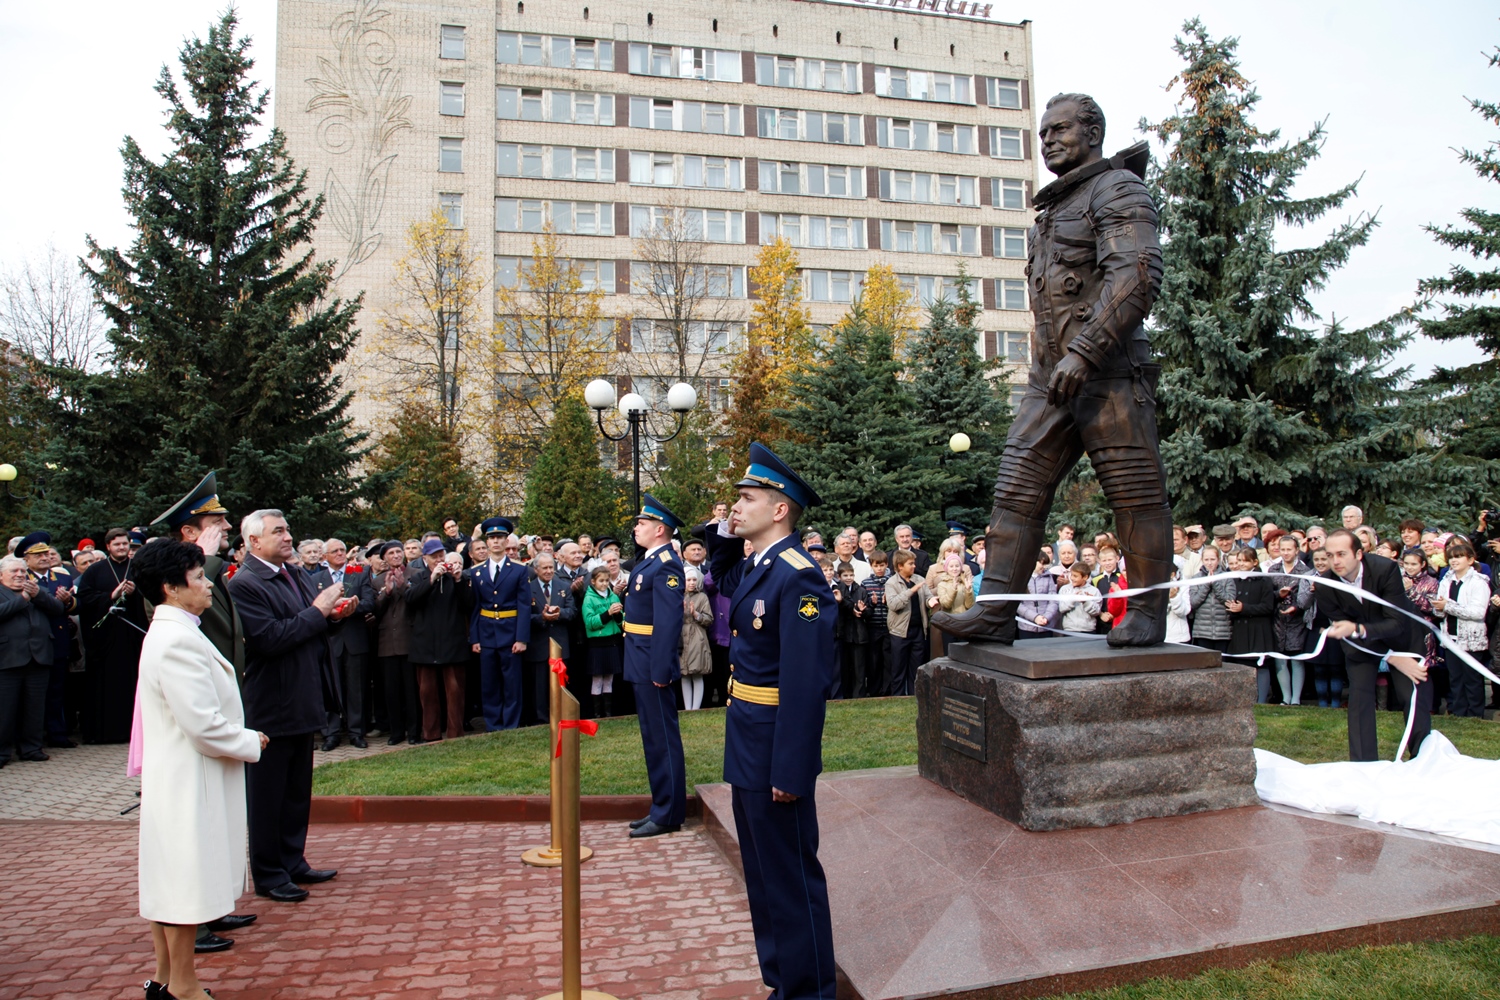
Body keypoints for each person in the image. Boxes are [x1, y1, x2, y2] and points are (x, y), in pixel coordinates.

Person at [703, 443, 838, 1000]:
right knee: (762, 875)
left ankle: (809, 991)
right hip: (749, 736)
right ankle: (782, 983)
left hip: (777, 746)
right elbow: (722, 573)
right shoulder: (758, 566)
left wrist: (792, 768)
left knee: (788, 879)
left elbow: (808, 686)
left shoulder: (798, 576)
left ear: (780, 509)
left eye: (748, 498)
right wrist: (723, 534)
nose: (736, 507)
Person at [132, 539, 267, 1000]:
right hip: (190, 780)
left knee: (172, 881)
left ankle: (168, 978)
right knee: (184, 885)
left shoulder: (177, 630)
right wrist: (251, 740)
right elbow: (202, 724)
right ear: (171, 588)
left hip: (184, 776)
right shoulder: (174, 640)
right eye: (197, 577)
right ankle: (183, 987)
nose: (208, 584)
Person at [228, 509, 346, 903]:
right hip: (272, 703)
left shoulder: (293, 573)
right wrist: (318, 611)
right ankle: (268, 872)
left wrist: (330, 616)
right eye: (278, 531)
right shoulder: (245, 584)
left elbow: (307, 622)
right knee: (268, 794)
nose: (287, 536)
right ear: (253, 542)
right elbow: (269, 638)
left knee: (297, 790)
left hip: (302, 695)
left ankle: (292, 861)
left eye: (288, 528)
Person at [1315, 529, 1429, 762]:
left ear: (1359, 553)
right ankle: (1363, 764)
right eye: (1329, 555)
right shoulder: (1324, 584)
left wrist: (1361, 632)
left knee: (1412, 695)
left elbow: (1396, 622)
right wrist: (1389, 657)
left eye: (1341, 554)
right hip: (1360, 646)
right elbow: (1344, 632)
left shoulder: (1384, 569)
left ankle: (1422, 759)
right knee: (1359, 697)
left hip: (1402, 637)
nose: (1335, 561)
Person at [620, 494, 688, 838]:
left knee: (662, 739)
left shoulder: (666, 565)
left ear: (660, 530)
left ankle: (669, 813)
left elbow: (668, 622)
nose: (636, 528)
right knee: (652, 738)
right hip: (640, 658)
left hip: (652, 664)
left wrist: (661, 669)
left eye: (642, 523)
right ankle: (661, 805)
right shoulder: (649, 562)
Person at [75, 527, 149, 743]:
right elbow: (84, 598)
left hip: (132, 636)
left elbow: (153, 593)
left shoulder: (138, 568)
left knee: (132, 682)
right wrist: (111, 595)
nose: (122, 548)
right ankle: (103, 732)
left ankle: (133, 732)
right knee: (105, 685)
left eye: (125, 544)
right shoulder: (95, 570)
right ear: (108, 546)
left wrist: (137, 592)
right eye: (117, 544)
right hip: (106, 640)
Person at [306, 539, 373, 750]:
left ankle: (356, 732)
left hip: (354, 640)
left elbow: (370, 602)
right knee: (332, 689)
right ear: (324, 556)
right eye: (334, 551)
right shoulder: (317, 579)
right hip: (330, 641)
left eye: (343, 550)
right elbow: (312, 607)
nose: (340, 553)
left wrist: (349, 607)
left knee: (356, 689)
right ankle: (331, 734)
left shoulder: (359, 574)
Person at [0, 554, 67, 765]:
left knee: (35, 707)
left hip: (39, 656)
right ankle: (2, 752)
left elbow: (58, 609)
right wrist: (22, 600)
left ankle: (31, 748)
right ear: (1, 575)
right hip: (8, 658)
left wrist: (38, 595)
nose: (20, 575)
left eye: (22, 571)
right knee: (5, 710)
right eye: (14, 571)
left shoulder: (36, 589)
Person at [467, 517, 531, 731]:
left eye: (500, 537)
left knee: (511, 682)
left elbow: (524, 606)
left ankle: (510, 723)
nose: (496, 541)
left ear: (506, 541)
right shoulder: (477, 572)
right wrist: (475, 638)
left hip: (510, 631)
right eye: (492, 538)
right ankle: (493, 724)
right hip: (486, 633)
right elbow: (475, 607)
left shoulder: (519, 570)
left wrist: (521, 638)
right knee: (490, 682)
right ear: (486, 542)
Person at [16, 532, 78, 749]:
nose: (44, 557)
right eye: (38, 555)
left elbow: (73, 607)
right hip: (34, 642)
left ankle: (57, 734)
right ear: (26, 559)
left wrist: (69, 600)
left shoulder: (61, 577)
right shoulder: (21, 579)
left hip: (58, 640)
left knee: (57, 691)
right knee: (33, 694)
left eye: (46, 553)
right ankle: (33, 737)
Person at [407, 539, 473, 741]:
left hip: (452, 643)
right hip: (425, 645)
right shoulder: (418, 577)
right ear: (425, 558)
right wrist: (432, 579)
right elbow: (410, 599)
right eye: (434, 556)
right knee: (427, 693)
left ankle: (455, 733)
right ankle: (431, 734)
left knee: (454, 691)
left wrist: (459, 580)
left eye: (441, 555)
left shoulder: (457, 578)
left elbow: (469, 605)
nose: (439, 559)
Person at [1433, 537, 1490, 718]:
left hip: (1471, 639)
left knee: (1472, 679)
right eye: (1451, 558)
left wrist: (1447, 607)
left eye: (1459, 557)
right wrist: (1439, 609)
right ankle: (1458, 713)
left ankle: (1475, 715)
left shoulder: (1479, 582)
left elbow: (1478, 612)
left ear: (1470, 560)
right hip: (1451, 638)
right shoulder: (1446, 580)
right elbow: (1440, 610)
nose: (1454, 561)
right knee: (1455, 678)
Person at [373, 541, 421, 745]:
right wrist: (388, 592)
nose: (395, 556)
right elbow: (375, 609)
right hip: (387, 642)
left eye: (398, 552)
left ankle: (415, 732)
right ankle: (396, 732)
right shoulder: (377, 581)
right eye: (391, 553)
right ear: (384, 558)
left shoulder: (416, 573)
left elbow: (417, 602)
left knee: (412, 690)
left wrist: (402, 587)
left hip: (409, 638)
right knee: (391, 691)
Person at [523, 552, 574, 726]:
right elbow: (524, 617)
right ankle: (541, 719)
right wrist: (542, 618)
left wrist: (559, 614)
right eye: (544, 568)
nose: (548, 571)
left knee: (560, 683)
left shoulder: (564, 586)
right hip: (538, 645)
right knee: (539, 686)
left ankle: (561, 715)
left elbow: (572, 612)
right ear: (536, 569)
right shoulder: (527, 588)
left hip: (559, 644)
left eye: (551, 567)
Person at [1267, 534, 1314, 705]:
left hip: (1297, 621)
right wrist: (1278, 595)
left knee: (1296, 659)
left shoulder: (1305, 571)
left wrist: (1296, 606)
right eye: (1283, 549)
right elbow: (1268, 595)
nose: (1285, 553)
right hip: (1278, 620)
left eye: (1289, 549)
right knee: (1280, 659)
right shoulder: (1273, 570)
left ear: (1297, 551)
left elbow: (1307, 596)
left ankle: (1296, 699)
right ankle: (1286, 697)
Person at [1226, 548, 1277, 702]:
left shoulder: (1264, 580)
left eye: (1245, 561)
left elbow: (1268, 606)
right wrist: (1233, 609)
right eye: (1239, 560)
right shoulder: (1235, 579)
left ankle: (1261, 700)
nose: (1241, 564)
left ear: (1255, 562)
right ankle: (1245, 699)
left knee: (1260, 665)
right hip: (1241, 629)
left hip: (1259, 629)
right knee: (1242, 665)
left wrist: (1245, 608)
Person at [1305, 548, 1346, 708]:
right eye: (1317, 560)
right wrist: (1311, 591)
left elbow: (1344, 604)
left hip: (1335, 627)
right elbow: (1303, 603)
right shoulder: (1307, 577)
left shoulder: (1339, 577)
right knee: (1319, 668)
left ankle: (1335, 703)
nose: (1320, 563)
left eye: (1324, 559)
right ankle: (1322, 703)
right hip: (1316, 627)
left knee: (1336, 667)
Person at [885, 551, 930, 697]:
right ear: (900, 566)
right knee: (898, 668)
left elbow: (928, 596)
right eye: (910, 564)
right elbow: (893, 604)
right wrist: (911, 591)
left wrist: (931, 601)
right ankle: (897, 697)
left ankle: (914, 695)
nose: (914, 566)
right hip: (900, 632)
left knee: (916, 667)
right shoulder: (891, 583)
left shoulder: (919, 579)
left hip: (918, 630)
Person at [582, 564, 624, 717]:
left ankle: (608, 713)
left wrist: (618, 614)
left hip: (612, 641)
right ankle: (597, 714)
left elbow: (621, 621)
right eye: (601, 581)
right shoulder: (589, 599)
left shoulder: (613, 595)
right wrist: (608, 613)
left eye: (607, 581)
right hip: (597, 643)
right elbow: (590, 623)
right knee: (597, 678)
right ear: (593, 581)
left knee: (609, 678)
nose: (605, 584)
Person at [925, 542, 973, 655]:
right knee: (941, 650)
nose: (952, 553)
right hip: (941, 613)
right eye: (949, 551)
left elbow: (970, 603)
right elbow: (926, 592)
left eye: (955, 551)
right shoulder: (934, 569)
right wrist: (946, 588)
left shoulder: (965, 569)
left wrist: (968, 590)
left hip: (962, 616)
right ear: (943, 552)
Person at [680, 565, 714, 710]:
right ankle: (688, 708)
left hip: (697, 637)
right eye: (689, 580)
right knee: (685, 674)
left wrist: (696, 614)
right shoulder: (678, 596)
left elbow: (709, 619)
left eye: (694, 579)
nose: (692, 583)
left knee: (697, 672)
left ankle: (696, 707)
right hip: (681, 636)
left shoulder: (702, 597)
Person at [1187, 546, 1234, 653]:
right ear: (1202, 560)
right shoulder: (1196, 578)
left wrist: (1216, 583)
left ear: (1218, 560)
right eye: (1206, 560)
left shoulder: (1227, 577)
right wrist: (1207, 585)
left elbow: (1230, 600)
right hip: (1202, 631)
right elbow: (1193, 603)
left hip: (1223, 631)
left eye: (1212, 559)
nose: (1209, 563)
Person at [833, 563, 869, 696]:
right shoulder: (837, 590)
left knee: (859, 668)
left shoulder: (861, 590)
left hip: (859, 634)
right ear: (839, 576)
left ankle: (859, 695)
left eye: (851, 575)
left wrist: (862, 611)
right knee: (844, 668)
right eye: (845, 575)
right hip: (843, 634)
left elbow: (868, 611)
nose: (849, 578)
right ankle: (845, 694)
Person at [859, 552, 892, 695]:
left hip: (889, 627)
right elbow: (865, 609)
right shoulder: (866, 583)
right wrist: (871, 605)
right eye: (876, 566)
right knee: (873, 661)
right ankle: (873, 690)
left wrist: (887, 603)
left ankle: (887, 689)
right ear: (871, 566)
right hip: (872, 627)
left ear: (886, 565)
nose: (879, 568)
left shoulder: (892, 581)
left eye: (882, 565)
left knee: (888, 660)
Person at [1018, 549, 1060, 639]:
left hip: (1046, 626)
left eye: (1045, 564)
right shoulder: (1021, 577)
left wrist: (1046, 617)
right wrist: (1035, 617)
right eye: (1041, 563)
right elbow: (1017, 604)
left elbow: (1053, 600)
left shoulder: (1049, 577)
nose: (1044, 567)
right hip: (1026, 627)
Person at [1057, 563, 1102, 633]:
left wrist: (1086, 601)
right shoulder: (1064, 589)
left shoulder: (1094, 591)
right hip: (1069, 630)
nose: (1072, 578)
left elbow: (1096, 612)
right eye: (1071, 575)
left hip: (1088, 630)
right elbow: (1061, 608)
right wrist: (1072, 599)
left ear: (1085, 577)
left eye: (1075, 576)